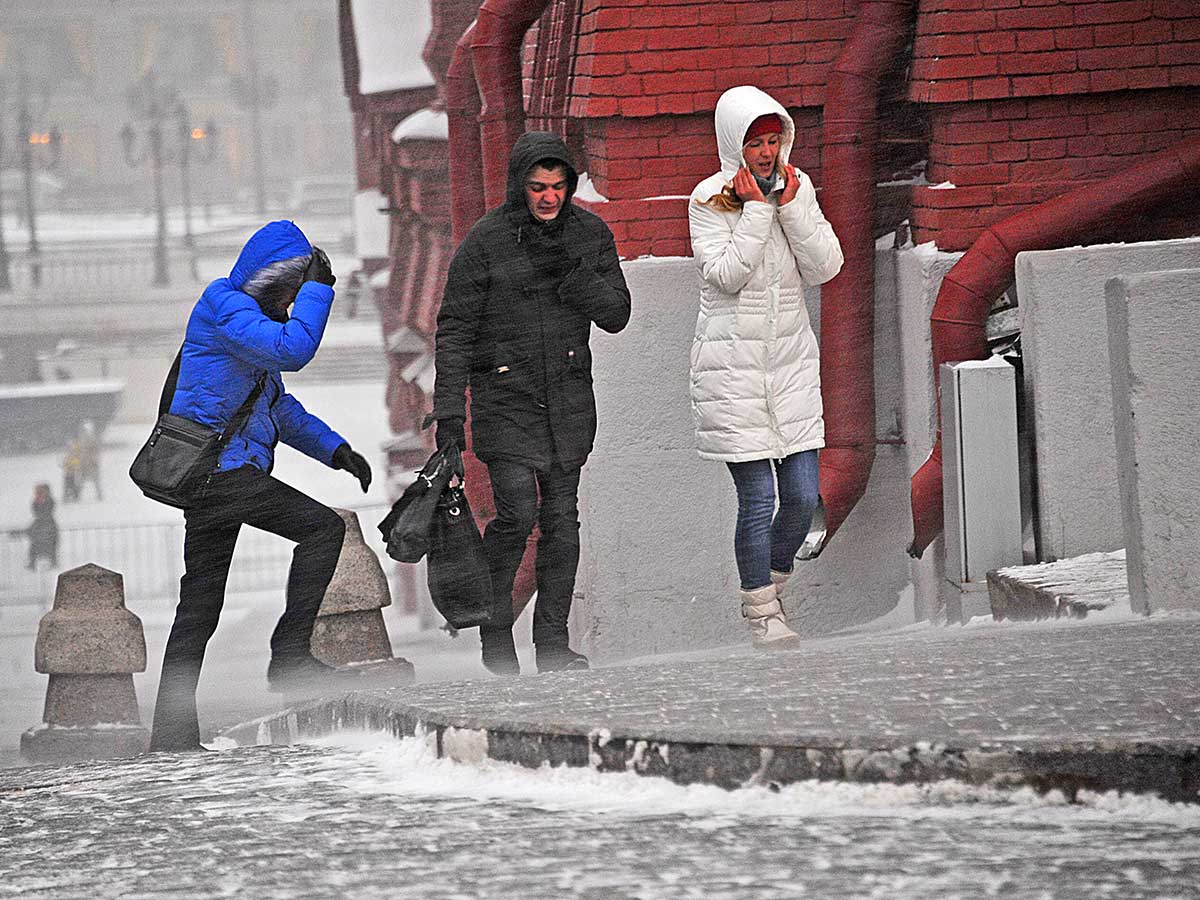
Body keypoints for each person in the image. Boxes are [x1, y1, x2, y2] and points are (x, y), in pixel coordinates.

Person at [148, 220, 373, 753]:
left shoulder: (249, 331)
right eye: (292, 290)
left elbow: (279, 409)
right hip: (221, 475)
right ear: (273, 281)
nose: (296, 302)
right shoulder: (224, 308)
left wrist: (336, 451)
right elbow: (294, 350)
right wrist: (321, 290)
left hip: (212, 479)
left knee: (199, 607)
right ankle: (291, 656)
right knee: (322, 530)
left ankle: (171, 733)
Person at [432, 131, 631, 676]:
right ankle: (496, 637)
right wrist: (449, 412)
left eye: (559, 186)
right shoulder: (485, 243)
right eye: (538, 186)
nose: (549, 197)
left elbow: (617, 312)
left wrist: (574, 279)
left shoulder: (590, 235)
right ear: (518, 185)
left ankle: (552, 643)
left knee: (562, 521)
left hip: (566, 399)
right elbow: (453, 330)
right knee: (517, 513)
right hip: (504, 399)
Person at [688, 85, 844, 649]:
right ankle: (762, 614)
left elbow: (826, 265)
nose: (766, 151)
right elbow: (725, 273)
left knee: (802, 496)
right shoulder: (711, 199)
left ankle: (770, 584)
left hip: (791, 366)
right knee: (758, 500)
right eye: (755, 142)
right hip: (732, 374)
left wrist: (794, 205)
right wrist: (757, 208)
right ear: (736, 143)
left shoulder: (796, 189)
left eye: (774, 140)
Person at [24, 483, 59, 570]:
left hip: (48, 524)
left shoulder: (49, 500)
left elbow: (48, 511)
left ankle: (53, 561)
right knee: (35, 544)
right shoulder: (36, 501)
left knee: (51, 543)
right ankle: (32, 562)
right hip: (39, 524)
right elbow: (35, 511)